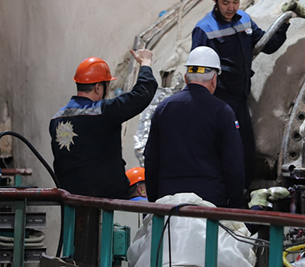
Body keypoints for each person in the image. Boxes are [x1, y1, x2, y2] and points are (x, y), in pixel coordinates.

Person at [191, 0, 289, 188]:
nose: (231, 7)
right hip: (217, 101)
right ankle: (219, 196)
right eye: (226, 2)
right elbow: (197, 72)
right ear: (215, 0)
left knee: (245, 152)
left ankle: (242, 196)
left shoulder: (245, 20)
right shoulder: (205, 29)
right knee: (221, 152)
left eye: (235, 1)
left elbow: (268, 45)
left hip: (240, 100)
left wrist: (284, 23)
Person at [144, 47, 244, 208]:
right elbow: (233, 164)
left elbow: (151, 159)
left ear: (186, 77)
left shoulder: (163, 108)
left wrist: (155, 199)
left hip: (168, 202)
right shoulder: (223, 112)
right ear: (214, 79)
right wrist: (235, 203)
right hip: (209, 203)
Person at [50, 49, 157, 199]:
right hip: (104, 200)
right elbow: (141, 94)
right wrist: (146, 63)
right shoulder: (103, 111)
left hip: (71, 200)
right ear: (98, 87)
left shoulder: (56, 119)